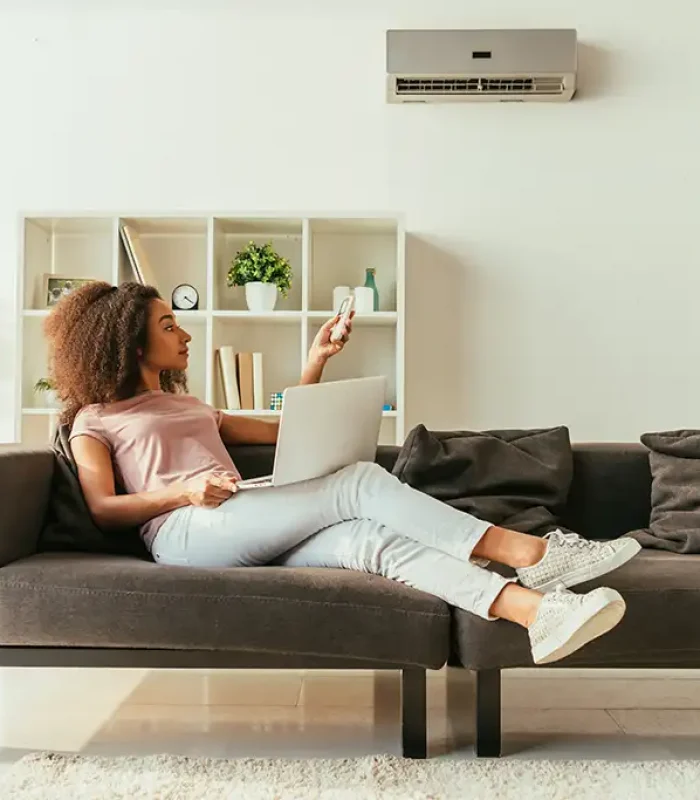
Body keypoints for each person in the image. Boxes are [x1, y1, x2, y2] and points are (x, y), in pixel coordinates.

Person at [44, 281, 640, 666]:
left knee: (369, 540)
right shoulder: (95, 420)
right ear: (129, 340)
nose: (184, 332)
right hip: (183, 533)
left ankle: (536, 614)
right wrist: (184, 491)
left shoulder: (195, 406)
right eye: (168, 324)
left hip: (244, 514)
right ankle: (536, 556)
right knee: (357, 482)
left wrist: (316, 361)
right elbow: (102, 506)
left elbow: (285, 431)